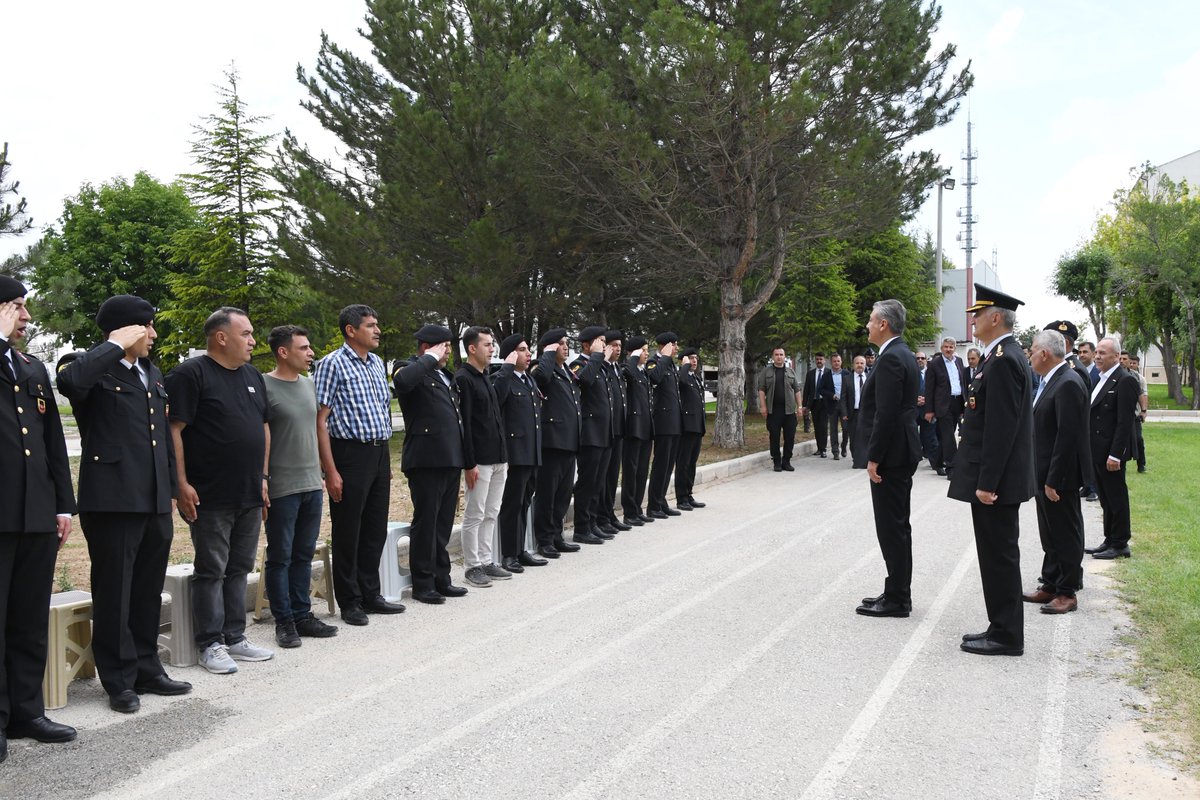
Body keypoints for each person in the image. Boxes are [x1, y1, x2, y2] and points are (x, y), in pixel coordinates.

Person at [57, 295, 192, 712]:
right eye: (146, 327)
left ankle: (147, 668)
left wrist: (170, 488)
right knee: (115, 591)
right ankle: (118, 679)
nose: (153, 335)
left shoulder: (151, 371)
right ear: (126, 330)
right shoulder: (86, 365)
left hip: (151, 498)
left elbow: (161, 440)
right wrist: (114, 344)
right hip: (113, 500)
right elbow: (72, 383)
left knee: (148, 590)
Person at [166, 307, 275, 674]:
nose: (253, 341)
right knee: (211, 568)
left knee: (239, 567)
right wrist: (180, 484)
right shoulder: (190, 374)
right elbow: (174, 430)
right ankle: (210, 643)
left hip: (248, 490)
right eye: (246, 334)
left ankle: (235, 636)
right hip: (208, 494)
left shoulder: (252, 376)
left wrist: (262, 479)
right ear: (221, 337)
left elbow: (262, 427)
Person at [0, 276, 77, 756]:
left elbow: (51, 443)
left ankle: (26, 711)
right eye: (16, 306)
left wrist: (62, 504)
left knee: (28, 616)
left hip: (34, 513)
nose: (26, 317)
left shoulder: (30, 366)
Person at [949, 285, 1036, 657]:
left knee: (999, 554)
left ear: (996, 317)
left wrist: (987, 483)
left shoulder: (1003, 359)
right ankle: (1000, 625)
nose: (973, 319)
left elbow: (1001, 429)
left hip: (995, 482)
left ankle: (1006, 635)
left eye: (978, 314)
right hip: (994, 478)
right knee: (995, 553)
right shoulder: (997, 356)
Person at [314, 305, 406, 624]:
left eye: (377, 324)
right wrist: (331, 470)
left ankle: (371, 593)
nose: (377, 330)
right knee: (348, 530)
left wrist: (385, 462)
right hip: (349, 455)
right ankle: (350, 600)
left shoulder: (377, 363)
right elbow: (320, 420)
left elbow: (381, 410)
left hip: (378, 454)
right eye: (370, 325)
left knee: (374, 529)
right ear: (351, 330)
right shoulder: (331, 364)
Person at [262, 325, 338, 647]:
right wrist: (262, 480)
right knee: (280, 556)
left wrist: (325, 472)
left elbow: (317, 430)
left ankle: (303, 614)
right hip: (281, 486)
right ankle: (285, 622)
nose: (310, 353)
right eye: (304, 348)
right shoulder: (263, 385)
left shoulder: (309, 385)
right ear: (283, 351)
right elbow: (261, 437)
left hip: (310, 484)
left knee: (304, 554)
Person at [853, 299, 921, 618]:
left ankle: (897, 599)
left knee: (892, 527)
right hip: (897, 451)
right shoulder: (897, 353)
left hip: (892, 455)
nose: (866, 325)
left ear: (883, 324)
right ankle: (895, 590)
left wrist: (874, 457)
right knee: (895, 526)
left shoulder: (893, 357)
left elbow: (887, 413)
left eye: (870, 320)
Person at [393, 324, 469, 603]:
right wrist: (429, 358)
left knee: (443, 523)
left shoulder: (443, 374)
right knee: (426, 523)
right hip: (425, 459)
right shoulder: (408, 366)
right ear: (427, 346)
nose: (448, 351)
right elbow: (402, 384)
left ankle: (441, 577)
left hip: (449, 457)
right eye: (444, 346)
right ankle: (423, 584)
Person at [1024, 330, 1091, 615]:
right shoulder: (1051, 380)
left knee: (1065, 532)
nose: (1029, 355)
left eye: (1032, 350)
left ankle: (1067, 590)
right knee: (1049, 533)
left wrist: (1054, 478)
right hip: (1043, 472)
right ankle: (1051, 582)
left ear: (1044, 354)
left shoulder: (1068, 383)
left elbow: (1068, 437)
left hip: (1058, 476)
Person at [455, 326, 511, 587]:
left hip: (499, 457)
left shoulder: (485, 376)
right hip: (480, 461)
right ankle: (472, 566)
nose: (492, 349)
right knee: (475, 514)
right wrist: (469, 463)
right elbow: (464, 425)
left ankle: (487, 560)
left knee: (492, 512)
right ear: (472, 348)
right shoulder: (464, 378)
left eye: (492, 344)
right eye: (487, 345)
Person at [492, 334, 547, 573]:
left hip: (531, 452)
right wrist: (505, 368)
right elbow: (496, 401)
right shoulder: (501, 378)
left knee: (524, 502)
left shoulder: (528, 381)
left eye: (528, 349)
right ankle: (508, 554)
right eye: (522, 350)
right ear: (511, 354)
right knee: (512, 504)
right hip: (515, 453)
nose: (528, 354)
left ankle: (521, 549)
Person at [1084, 338, 1140, 560]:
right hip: (1098, 449)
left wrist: (1115, 454)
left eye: (1102, 353)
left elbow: (1124, 422)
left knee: (1116, 497)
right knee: (1105, 497)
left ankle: (1120, 543)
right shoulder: (1101, 378)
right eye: (1096, 352)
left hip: (1111, 452)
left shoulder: (1124, 380)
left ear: (1116, 356)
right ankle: (1109, 538)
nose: (1097, 356)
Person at [530, 328, 582, 559]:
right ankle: (544, 539)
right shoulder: (541, 367)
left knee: (562, 494)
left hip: (569, 440)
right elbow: (541, 379)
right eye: (560, 343)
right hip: (552, 442)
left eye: (566, 343)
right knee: (547, 494)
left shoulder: (567, 372)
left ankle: (557, 535)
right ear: (549, 348)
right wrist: (547, 355)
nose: (565, 346)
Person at [569, 326, 612, 544]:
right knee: (587, 482)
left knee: (598, 481)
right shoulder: (580, 363)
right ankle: (582, 528)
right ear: (587, 344)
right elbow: (583, 381)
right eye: (600, 341)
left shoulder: (600, 365)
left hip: (603, 433)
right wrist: (596, 357)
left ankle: (593, 523)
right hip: (590, 433)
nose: (604, 345)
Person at [646, 332, 683, 517]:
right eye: (674, 345)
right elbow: (654, 378)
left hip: (674, 422)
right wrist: (665, 357)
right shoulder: (654, 361)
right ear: (665, 346)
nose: (677, 348)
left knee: (669, 465)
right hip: (662, 421)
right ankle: (653, 505)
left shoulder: (670, 363)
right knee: (661, 464)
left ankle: (661, 500)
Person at [620, 336, 655, 525]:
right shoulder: (629, 369)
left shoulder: (643, 373)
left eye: (647, 349)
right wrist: (633, 357)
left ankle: (638, 508)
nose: (647, 353)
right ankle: (629, 511)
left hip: (646, 427)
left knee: (642, 471)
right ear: (633, 352)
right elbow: (629, 373)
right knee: (631, 471)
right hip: (633, 428)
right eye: (643, 350)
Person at [600, 330, 631, 532]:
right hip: (606, 431)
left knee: (612, 477)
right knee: (602, 477)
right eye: (613, 345)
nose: (617, 349)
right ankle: (601, 516)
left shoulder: (617, 368)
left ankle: (608, 513)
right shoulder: (603, 368)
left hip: (618, 429)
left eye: (620, 345)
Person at [924, 337, 966, 478]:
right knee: (949, 436)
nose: (948, 349)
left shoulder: (959, 362)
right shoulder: (935, 364)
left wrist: (963, 406)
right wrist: (929, 410)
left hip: (957, 402)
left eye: (951, 347)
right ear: (942, 348)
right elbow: (929, 389)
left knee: (946, 436)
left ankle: (937, 462)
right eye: (946, 347)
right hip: (942, 405)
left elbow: (962, 383)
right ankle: (952, 468)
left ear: (955, 348)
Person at [757, 347, 802, 472]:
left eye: (781, 354)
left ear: (784, 356)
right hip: (773, 410)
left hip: (789, 411)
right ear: (773, 357)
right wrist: (763, 406)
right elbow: (761, 390)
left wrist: (799, 406)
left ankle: (786, 461)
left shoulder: (790, 372)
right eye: (776, 354)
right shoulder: (766, 372)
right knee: (774, 437)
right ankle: (776, 461)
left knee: (790, 437)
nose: (779, 357)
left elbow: (797, 390)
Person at [675, 347, 707, 510]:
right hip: (686, 427)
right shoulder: (682, 376)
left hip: (696, 426)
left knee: (692, 463)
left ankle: (688, 493)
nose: (694, 361)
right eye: (690, 358)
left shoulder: (695, 378)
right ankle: (681, 498)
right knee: (683, 463)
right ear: (683, 361)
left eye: (695, 358)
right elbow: (681, 381)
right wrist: (684, 366)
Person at [819, 353, 848, 461]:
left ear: (841, 362)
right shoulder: (826, 376)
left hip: (844, 405)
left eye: (838, 361)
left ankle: (844, 446)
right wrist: (832, 395)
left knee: (846, 428)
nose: (836, 363)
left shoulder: (847, 374)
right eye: (834, 361)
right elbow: (821, 389)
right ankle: (835, 451)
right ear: (831, 362)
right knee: (833, 429)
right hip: (832, 405)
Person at [914, 351, 939, 468]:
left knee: (930, 439)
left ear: (926, 360)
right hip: (913, 411)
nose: (920, 360)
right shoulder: (910, 373)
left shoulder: (932, 373)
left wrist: (927, 400)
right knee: (910, 438)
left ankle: (936, 465)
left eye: (922, 358)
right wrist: (914, 399)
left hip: (927, 411)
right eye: (917, 358)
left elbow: (937, 391)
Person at [803, 353, 830, 457]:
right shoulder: (810, 374)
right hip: (814, 403)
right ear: (815, 360)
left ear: (824, 360)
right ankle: (819, 448)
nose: (819, 361)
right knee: (817, 426)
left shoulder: (829, 372)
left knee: (823, 426)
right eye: (817, 359)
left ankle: (823, 449)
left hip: (825, 403)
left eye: (821, 359)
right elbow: (806, 390)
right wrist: (805, 405)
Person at [845, 355, 868, 462]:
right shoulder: (847, 379)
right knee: (853, 437)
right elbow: (843, 397)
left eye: (862, 363)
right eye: (857, 363)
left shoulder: (869, 377)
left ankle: (865, 458)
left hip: (867, 413)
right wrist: (844, 413)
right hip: (853, 412)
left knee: (866, 436)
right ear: (853, 365)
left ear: (865, 365)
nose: (859, 365)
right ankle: (856, 458)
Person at [1129, 355, 1148, 473]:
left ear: (1138, 364)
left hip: (1135, 415)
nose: (1131, 365)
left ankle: (1141, 465)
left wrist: (1144, 411)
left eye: (1133, 363)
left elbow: (1144, 395)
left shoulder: (1139, 378)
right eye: (1129, 362)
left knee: (1138, 439)